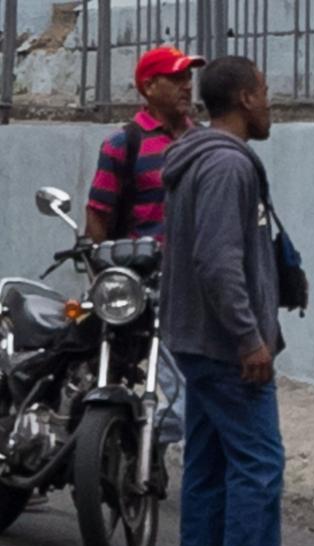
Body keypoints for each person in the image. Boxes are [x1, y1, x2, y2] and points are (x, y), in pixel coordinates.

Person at [161, 55, 303, 546]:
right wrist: (249, 337)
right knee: (259, 466)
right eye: (265, 91)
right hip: (225, 346)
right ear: (245, 98)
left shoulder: (203, 159)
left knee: (210, 468)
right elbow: (217, 261)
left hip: (200, 340)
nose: (271, 102)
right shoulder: (226, 166)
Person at [86, 45, 203, 451]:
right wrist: (103, 277)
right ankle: (136, 444)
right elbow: (98, 214)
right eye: (176, 78)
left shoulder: (203, 142)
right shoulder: (125, 143)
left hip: (197, 282)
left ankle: (141, 444)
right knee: (176, 390)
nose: (187, 86)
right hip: (146, 283)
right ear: (149, 86)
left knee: (192, 385)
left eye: (188, 77)